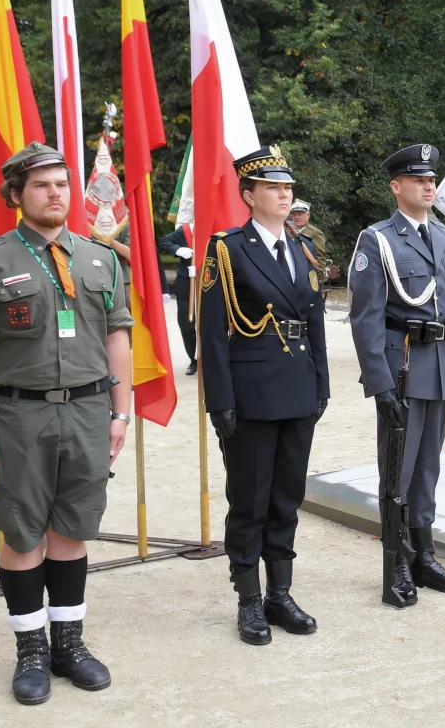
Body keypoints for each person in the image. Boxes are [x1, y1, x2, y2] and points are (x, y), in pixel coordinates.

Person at [0, 142, 133, 706]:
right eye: (42, 186)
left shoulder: (100, 259)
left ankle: (68, 645)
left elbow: (118, 336)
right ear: (17, 196)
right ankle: (30, 650)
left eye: (61, 184)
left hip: (88, 410)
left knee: (72, 528)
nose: (56, 194)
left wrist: (120, 411)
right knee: (22, 530)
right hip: (16, 413)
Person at [200, 144, 328, 646]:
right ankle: (249, 599)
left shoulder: (299, 247)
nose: (283, 194)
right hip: (251, 391)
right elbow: (212, 333)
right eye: (272, 187)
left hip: (298, 389)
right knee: (249, 499)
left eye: (287, 187)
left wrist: (322, 383)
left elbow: (313, 321)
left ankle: (281, 592)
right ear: (248, 195)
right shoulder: (228, 250)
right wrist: (220, 400)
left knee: (286, 497)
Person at [348, 143, 445, 607]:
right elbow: (366, 320)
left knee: (427, 470)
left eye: (431, 179)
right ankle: (397, 558)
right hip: (402, 368)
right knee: (397, 472)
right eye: (418, 180)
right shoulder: (377, 240)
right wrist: (379, 383)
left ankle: (424, 553)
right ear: (396, 186)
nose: (428, 185)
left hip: (440, 369)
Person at [157, 224, 198, 375]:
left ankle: (210, 360)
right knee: (186, 325)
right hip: (186, 283)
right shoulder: (187, 230)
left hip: (209, 282)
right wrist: (177, 250)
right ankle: (194, 360)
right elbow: (164, 241)